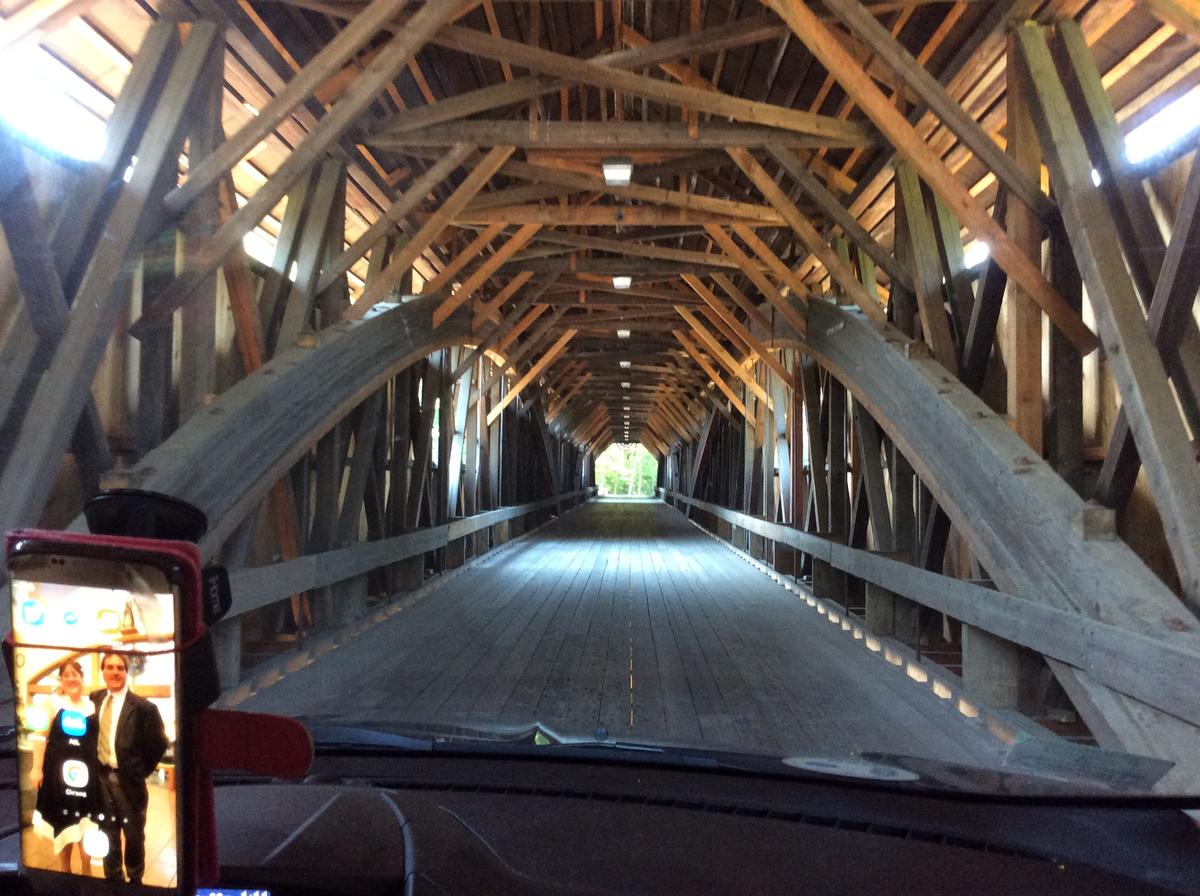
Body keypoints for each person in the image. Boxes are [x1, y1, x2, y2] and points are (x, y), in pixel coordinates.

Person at [90, 651, 168, 885]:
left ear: (126, 672)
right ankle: (113, 880)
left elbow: (159, 743)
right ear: (103, 671)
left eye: (120, 668)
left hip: (129, 782)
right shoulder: (95, 699)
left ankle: (135, 881)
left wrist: (140, 770)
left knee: (133, 835)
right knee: (107, 832)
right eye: (110, 667)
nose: (114, 672)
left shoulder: (144, 708)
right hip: (100, 779)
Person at [29, 659, 101, 875]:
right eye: (66, 674)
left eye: (75, 674)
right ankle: (65, 871)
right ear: (61, 679)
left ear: (82, 677)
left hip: (88, 778)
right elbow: (39, 735)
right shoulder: (50, 703)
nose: (71, 678)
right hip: (58, 776)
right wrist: (36, 768)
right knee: (65, 822)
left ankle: (87, 873)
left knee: (86, 824)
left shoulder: (92, 705)